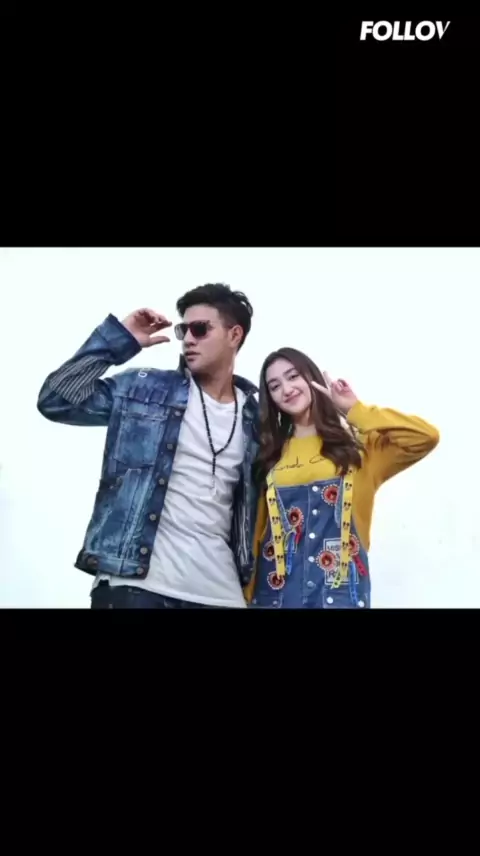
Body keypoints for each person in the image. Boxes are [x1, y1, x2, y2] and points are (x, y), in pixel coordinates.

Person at [37, 283, 259, 609]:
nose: (188, 339)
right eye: (183, 330)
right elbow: (56, 400)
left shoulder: (258, 418)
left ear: (234, 334)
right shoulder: (145, 389)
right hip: (135, 586)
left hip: (220, 594)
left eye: (200, 329)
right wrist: (119, 340)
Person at [244, 348, 440, 609]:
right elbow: (258, 534)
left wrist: (354, 409)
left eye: (293, 376)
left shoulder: (358, 448)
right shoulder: (270, 455)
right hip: (275, 598)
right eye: (275, 386)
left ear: (311, 377)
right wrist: (244, 597)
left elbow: (425, 437)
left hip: (340, 597)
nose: (287, 389)